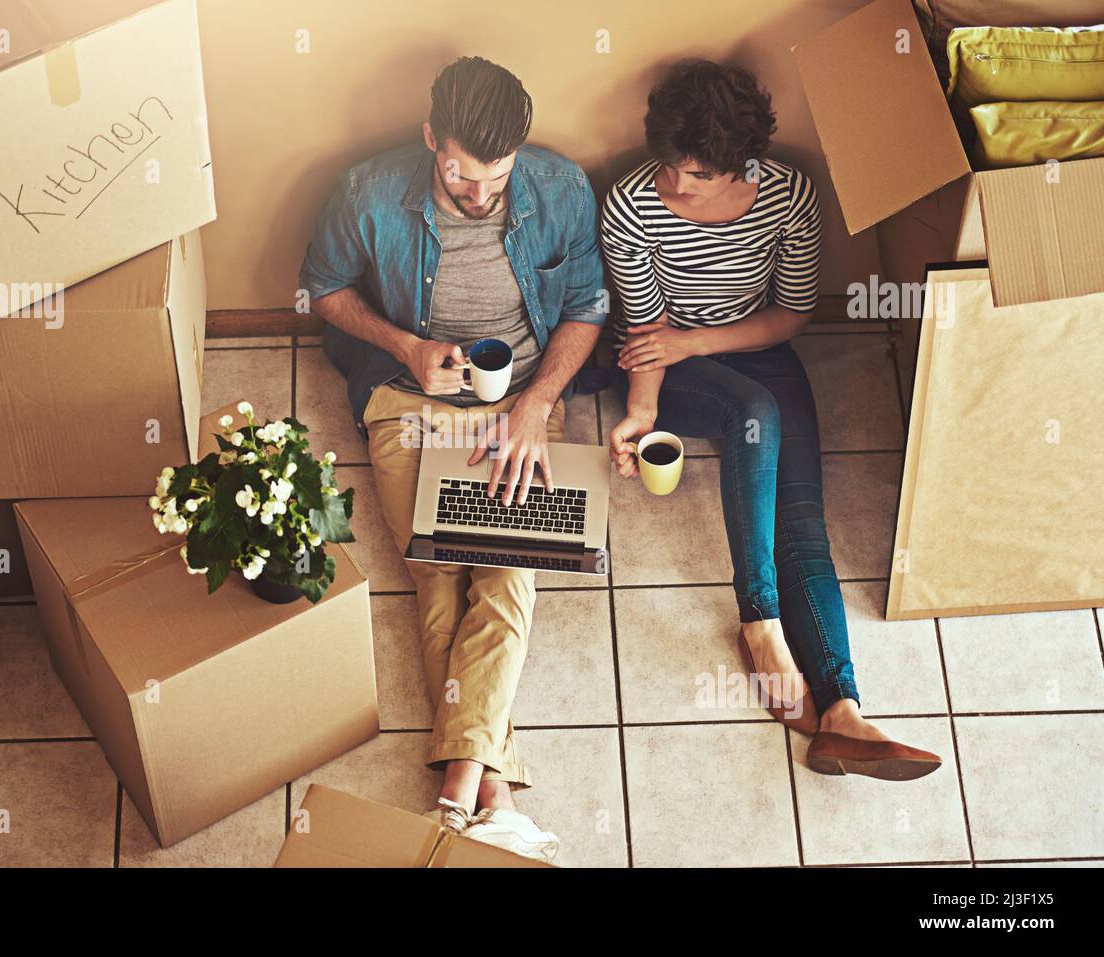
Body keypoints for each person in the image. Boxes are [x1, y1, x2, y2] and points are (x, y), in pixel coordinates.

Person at [300, 56, 607, 857]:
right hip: (410, 399)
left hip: (520, 404)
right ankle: (491, 794)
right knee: (438, 567)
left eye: (495, 178)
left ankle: (457, 798)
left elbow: (587, 306)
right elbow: (321, 288)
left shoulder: (563, 188)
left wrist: (536, 406)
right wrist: (405, 342)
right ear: (431, 137)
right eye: (461, 177)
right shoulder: (368, 193)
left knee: (506, 568)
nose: (479, 195)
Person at [601, 59, 941, 780]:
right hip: (663, 356)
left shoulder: (788, 196)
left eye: (693, 175)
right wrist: (641, 410)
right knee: (752, 412)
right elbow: (648, 330)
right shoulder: (631, 204)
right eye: (667, 165)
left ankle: (844, 713)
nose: (672, 184)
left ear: (736, 167)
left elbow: (790, 313)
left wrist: (702, 338)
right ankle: (759, 620)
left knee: (804, 519)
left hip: (748, 344)